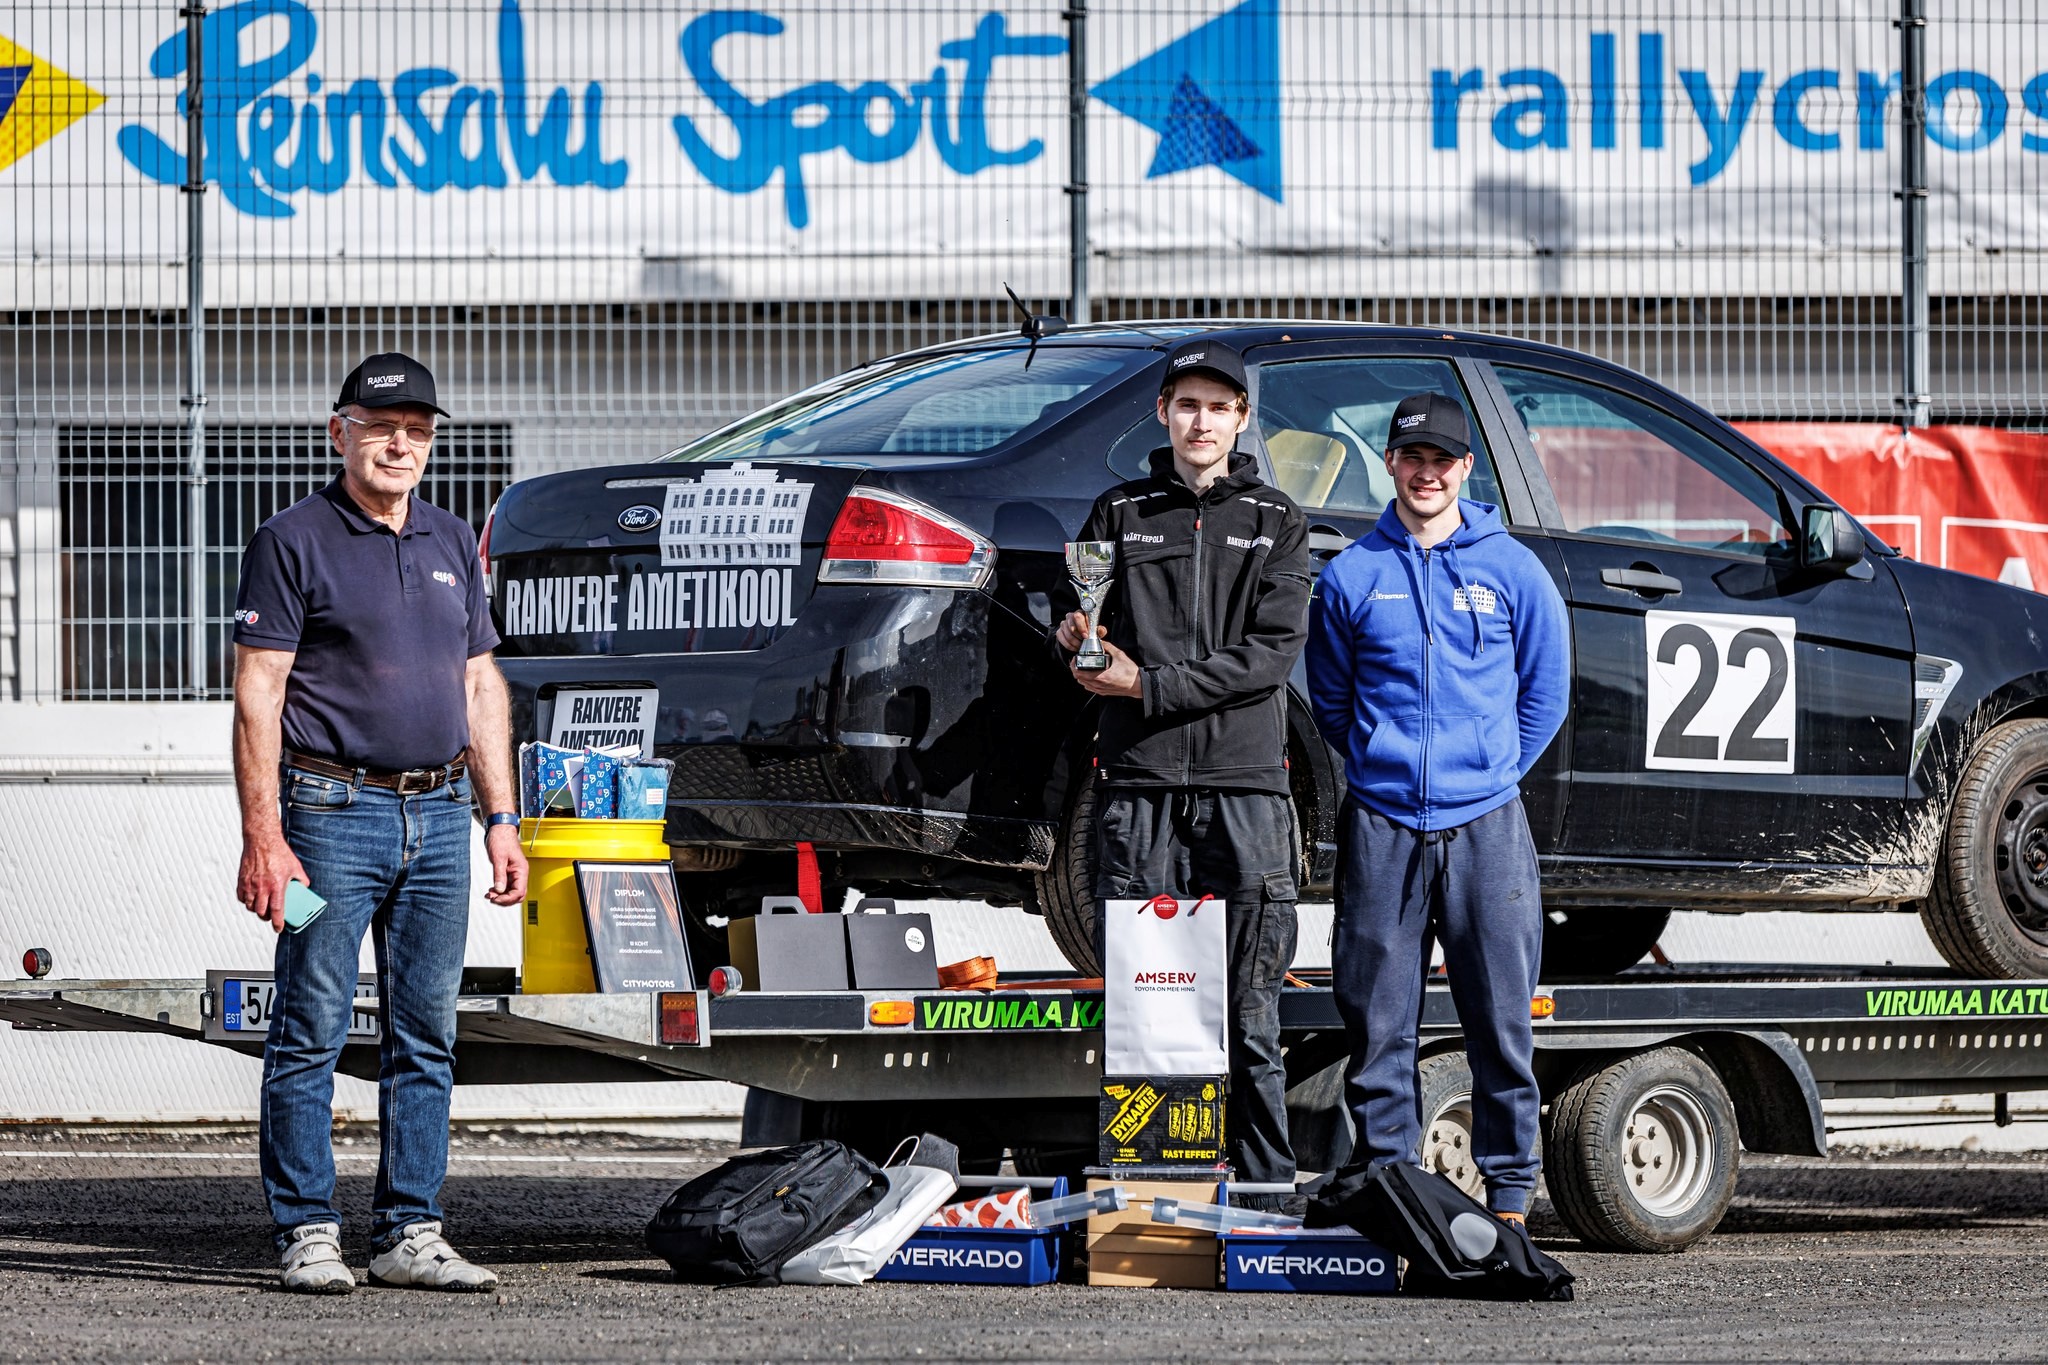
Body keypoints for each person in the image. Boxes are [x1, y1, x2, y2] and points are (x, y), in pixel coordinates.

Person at [231, 352, 528, 1293]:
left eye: (418, 430)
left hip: (439, 821)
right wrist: (264, 837)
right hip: (326, 821)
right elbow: (258, 693)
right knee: (310, 1023)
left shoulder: (451, 540)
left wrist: (501, 816)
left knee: (427, 1033)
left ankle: (409, 1232)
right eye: (382, 425)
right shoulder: (292, 540)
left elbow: (480, 684)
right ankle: (307, 1230)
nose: (401, 443)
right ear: (340, 432)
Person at [1055, 337, 1311, 1200]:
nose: (1202, 421)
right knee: (1148, 1007)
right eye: (1187, 404)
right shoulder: (1118, 512)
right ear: (1163, 413)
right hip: (1141, 790)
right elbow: (1089, 634)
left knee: (1251, 1008)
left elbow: (1268, 659)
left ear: (1242, 418)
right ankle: (1151, 1201)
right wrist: (1077, 641)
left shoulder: (1276, 520)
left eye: (1219, 406)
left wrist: (1147, 685)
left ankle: (1267, 1195)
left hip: (1247, 792)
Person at [1305, 391, 1569, 1224]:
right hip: (1382, 826)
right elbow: (1333, 701)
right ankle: (1391, 1186)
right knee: (1379, 1026)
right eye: (1413, 457)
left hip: (1487, 827)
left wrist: (1488, 773)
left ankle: (1511, 1196)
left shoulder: (1513, 570)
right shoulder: (1351, 575)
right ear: (1390, 461)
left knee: (1500, 1022)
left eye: (1443, 460)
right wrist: (1385, 766)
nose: (1428, 473)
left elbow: (1546, 695)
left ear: (1466, 468)